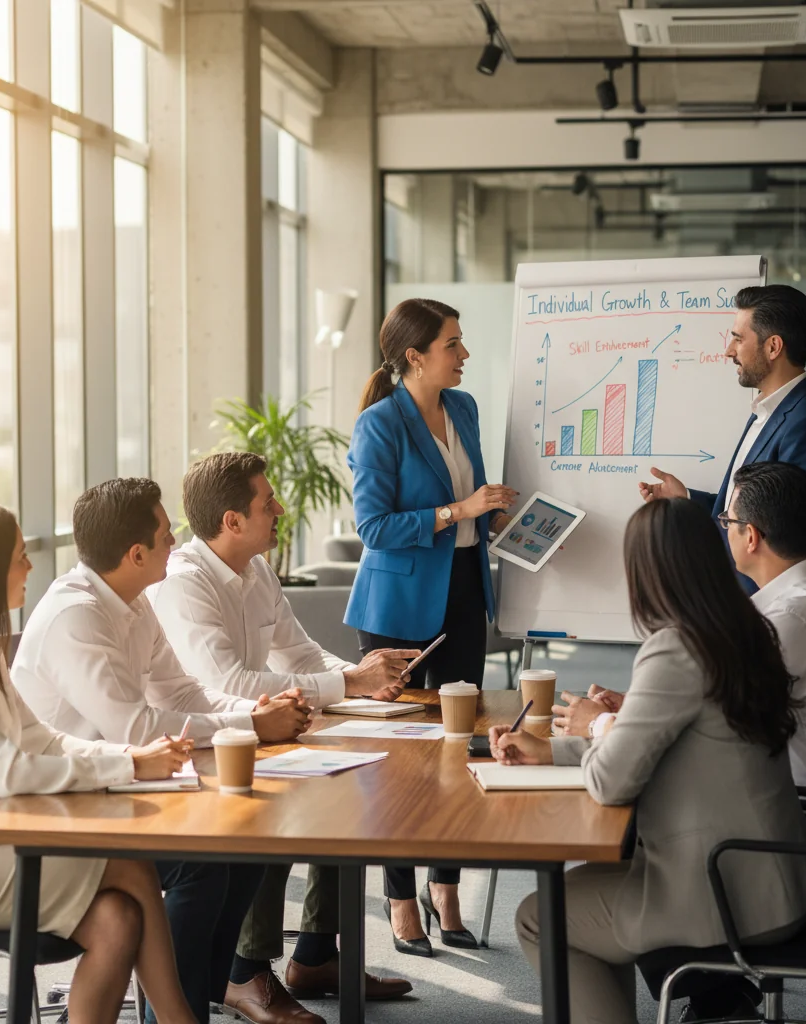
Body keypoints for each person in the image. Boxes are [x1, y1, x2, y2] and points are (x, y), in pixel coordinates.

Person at [490, 498, 806, 1024]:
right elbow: (675, 746)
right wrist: (552, 749)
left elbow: (611, 783)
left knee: (541, 916)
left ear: (646, 570)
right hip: (775, 879)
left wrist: (595, 726)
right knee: (578, 894)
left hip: (720, 892)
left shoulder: (675, 648)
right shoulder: (743, 631)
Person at [0, 500, 200, 1024]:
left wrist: (133, 756)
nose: (29, 567)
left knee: (116, 919)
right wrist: (131, 769)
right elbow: (7, 770)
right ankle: (181, 1020)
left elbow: (46, 741)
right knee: (130, 863)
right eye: (20, 556)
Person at [12, 478, 306, 1024]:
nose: (178, 542)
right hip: (60, 805)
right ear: (137, 553)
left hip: (116, 787)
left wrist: (252, 716)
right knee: (200, 863)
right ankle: (178, 1013)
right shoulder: (75, 616)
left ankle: (205, 993)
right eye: (168, 534)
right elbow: (135, 726)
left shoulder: (132, 601)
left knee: (248, 843)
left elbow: (182, 691)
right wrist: (249, 724)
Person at [150, 451, 415, 1021]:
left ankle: (316, 953)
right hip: (197, 748)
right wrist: (347, 679)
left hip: (255, 730)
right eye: (267, 502)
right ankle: (244, 973)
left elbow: (298, 652)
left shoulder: (256, 569)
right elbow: (227, 683)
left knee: (350, 781)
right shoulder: (184, 583)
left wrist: (362, 681)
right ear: (232, 521)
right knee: (274, 813)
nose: (280, 509)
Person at [345, 297, 518, 954]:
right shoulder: (379, 425)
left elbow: (469, 508)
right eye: (453, 344)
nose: (464, 354)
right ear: (415, 355)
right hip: (399, 607)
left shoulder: (464, 410)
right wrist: (457, 510)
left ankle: (446, 890)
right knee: (401, 759)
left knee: (458, 746)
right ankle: (398, 896)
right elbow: (374, 528)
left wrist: (496, 514)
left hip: (466, 592)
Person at [556, 462, 806, 794]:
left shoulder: (788, 620)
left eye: (727, 521)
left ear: (751, 536)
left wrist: (598, 724)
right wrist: (634, 707)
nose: (724, 530)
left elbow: (701, 739)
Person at [638, 284, 806, 591]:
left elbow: (783, 535)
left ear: (773, 347)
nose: (729, 350)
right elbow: (752, 510)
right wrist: (686, 499)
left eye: (738, 338)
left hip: (776, 610)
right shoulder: (765, 412)